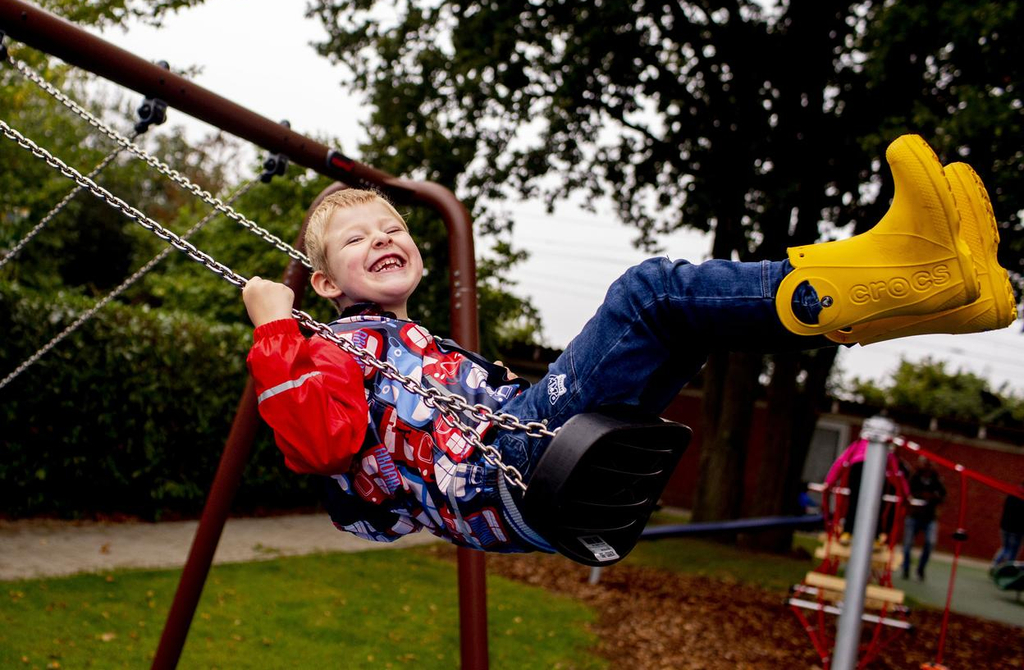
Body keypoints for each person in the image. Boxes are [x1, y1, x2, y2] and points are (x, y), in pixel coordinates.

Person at [242, 134, 1017, 556]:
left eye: (394, 228)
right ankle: (906, 264)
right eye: (356, 238)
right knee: (650, 294)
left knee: (690, 319)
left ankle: (933, 291)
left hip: (528, 464)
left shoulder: (412, 346)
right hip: (515, 471)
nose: (384, 237)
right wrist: (275, 324)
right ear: (324, 284)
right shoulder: (333, 348)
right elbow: (316, 442)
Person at [902, 457, 947, 580]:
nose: (928, 467)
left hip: (929, 517)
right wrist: (920, 496)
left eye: (930, 465)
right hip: (914, 515)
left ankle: (921, 568)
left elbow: (943, 496)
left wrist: (933, 497)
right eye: (926, 465)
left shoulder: (936, 480)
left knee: (930, 543)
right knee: (907, 544)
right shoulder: (914, 478)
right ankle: (905, 568)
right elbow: (907, 494)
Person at [992, 481, 1024, 569]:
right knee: (1012, 551)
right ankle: (1005, 569)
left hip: (1005, 527)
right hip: (1015, 529)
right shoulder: (1019, 497)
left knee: (1006, 548)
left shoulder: (1012, 495)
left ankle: (995, 566)